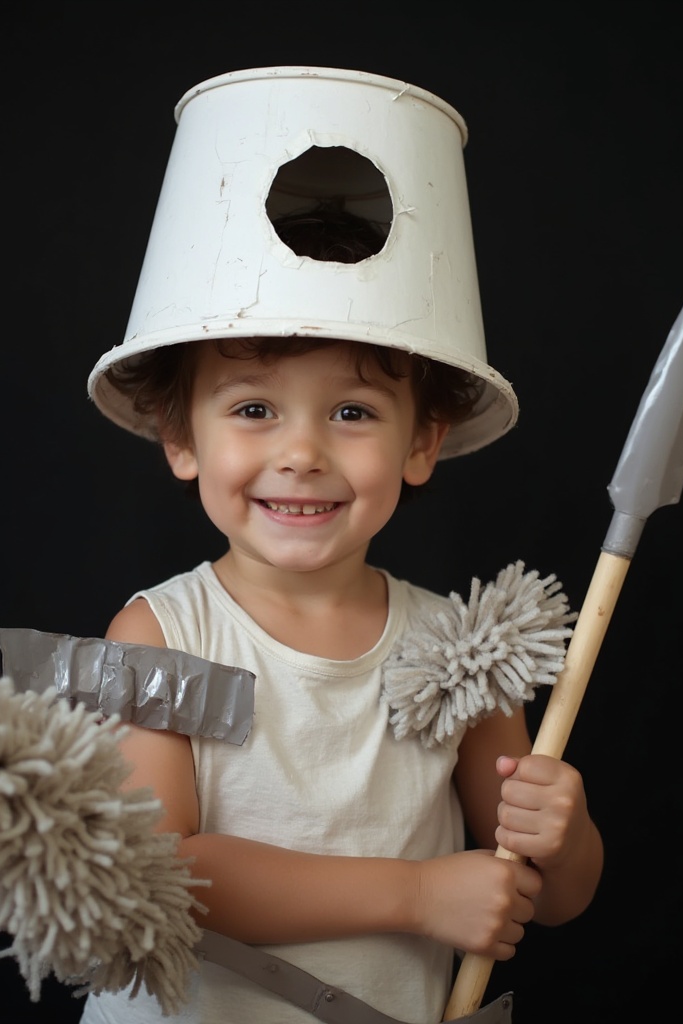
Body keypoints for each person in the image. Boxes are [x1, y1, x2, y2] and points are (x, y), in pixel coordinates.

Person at [77, 199, 604, 1024]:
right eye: (254, 409)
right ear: (181, 437)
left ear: (421, 443)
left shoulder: (463, 649)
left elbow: (543, 892)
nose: (300, 453)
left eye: (352, 413)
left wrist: (563, 837)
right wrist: (416, 894)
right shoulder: (160, 636)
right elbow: (157, 872)